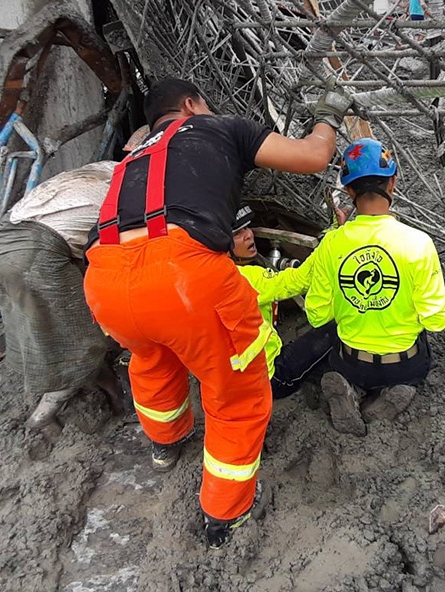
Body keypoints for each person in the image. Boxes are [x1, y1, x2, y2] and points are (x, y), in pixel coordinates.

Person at [82, 78, 348, 549]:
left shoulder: (134, 154)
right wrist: (328, 116)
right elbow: (312, 158)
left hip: (105, 280)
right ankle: (226, 515)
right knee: (236, 395)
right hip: (184, 280)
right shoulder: (218, 128)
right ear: (190, 105)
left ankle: (166, 444)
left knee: (151, 359)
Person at [293, 138, 445, 437]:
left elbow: (317, 316)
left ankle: (351, 387)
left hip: (352, 361)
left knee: (337, 350)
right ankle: (398, 389)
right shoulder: (418, 243)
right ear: (392, 183)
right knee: (421, 351)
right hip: (403, 363)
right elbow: (437, 320)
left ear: (349, 191)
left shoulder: (332, 244)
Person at [0, 162, 125, 438]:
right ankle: (44, 415)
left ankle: (112, 390)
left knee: (48, 332)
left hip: (3, 245)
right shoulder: (130, 189)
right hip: (38, 254)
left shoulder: (99, 169)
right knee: (80, 343)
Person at [229, 205, 337, 399]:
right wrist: (332, 239)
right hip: (271, 380)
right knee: (335, 328)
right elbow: (299, 281)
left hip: (237, 380)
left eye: (247, 227)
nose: (248, 235)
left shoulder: (212, 276)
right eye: (237, 233)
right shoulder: (247, 279)